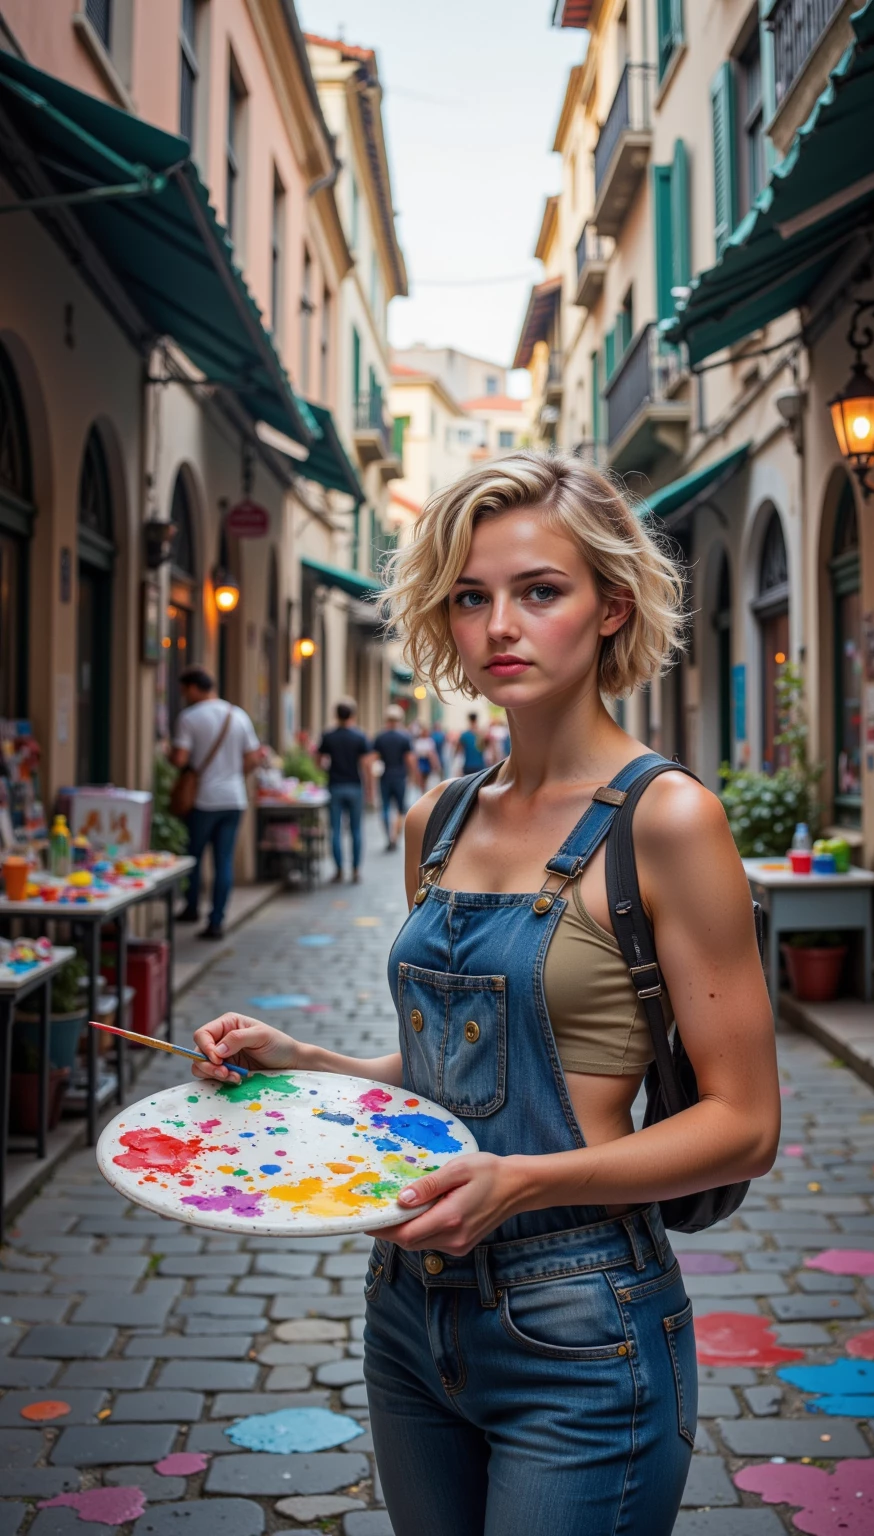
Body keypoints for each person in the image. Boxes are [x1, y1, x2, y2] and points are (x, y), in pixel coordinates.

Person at [189, 452, 780, 1535]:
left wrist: (519, 1183)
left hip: (581, 1320)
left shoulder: (667, 819)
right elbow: (453, 1075)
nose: (499, 624)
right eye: (471, 596)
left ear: (609, 606)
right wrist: (309, 1064)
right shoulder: (439, 818)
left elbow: (743, 1127)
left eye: (538, 591)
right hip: (407, 1317)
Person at [169, 666, 262, 939]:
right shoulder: (238, 715)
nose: (184, 695)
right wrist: (233, 774)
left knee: (194, 857)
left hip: (202, 800)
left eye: (185, 690)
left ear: (195, 688)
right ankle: (217, 920)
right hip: (234, 799)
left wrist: (169, 754)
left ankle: (192, 907)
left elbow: (181, 760)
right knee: (224, 861)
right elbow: (254, 758)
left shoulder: (189, 718)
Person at [318, 699, 371, 884]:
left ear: (336, 715)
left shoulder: (328, 736)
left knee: (336, 830)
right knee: (356, 830)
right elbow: (366, 766)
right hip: (355, 786)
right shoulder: (359, 736)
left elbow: (319, 761)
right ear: (353, 715)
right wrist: (370, 790)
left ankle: (339, 869)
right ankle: (356, 870)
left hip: (335, 786)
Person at [371, 705, 415, 850]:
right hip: (400, 777)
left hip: (384, 777)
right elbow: (409, 759)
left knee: (384, 808)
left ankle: (388, 837)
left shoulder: (380, 737)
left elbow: (375, 759)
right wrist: (413, 776)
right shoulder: (404, 737)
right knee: (400, 809)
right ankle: (395, 836)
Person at [411, 724, 441, 791]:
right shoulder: (418, 741)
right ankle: (422, 788)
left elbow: (432, 753)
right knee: (420, 776)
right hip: (421, 760)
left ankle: (425, 789)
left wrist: (435, 763)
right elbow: (416, 754)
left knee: (427, 776)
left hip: (427, 761)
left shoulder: (430, 741)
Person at [456, 710, 485, 775]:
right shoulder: (481, 734)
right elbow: (484, 748)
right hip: (479, 765)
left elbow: (459, 751)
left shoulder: (464, 735)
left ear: (469, 720)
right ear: (476, 720)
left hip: (468, 765)